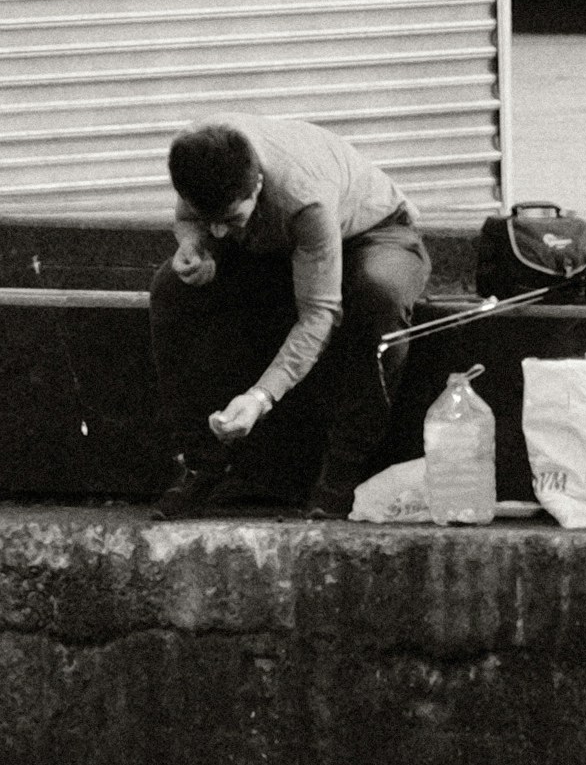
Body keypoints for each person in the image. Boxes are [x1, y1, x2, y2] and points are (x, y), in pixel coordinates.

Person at [148, 114, 424, 521]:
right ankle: (203, 463)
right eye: (211, 220)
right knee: (171, 289)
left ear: (257, 183)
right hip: (276, 236)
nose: (219, 233)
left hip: (371, 233)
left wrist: (260, 397)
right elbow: (191, 219)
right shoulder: (198, 155)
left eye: (230, 220)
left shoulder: (304, 196)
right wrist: (194, 244)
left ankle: (342, 473)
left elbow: (318, 314)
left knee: (376, 296)